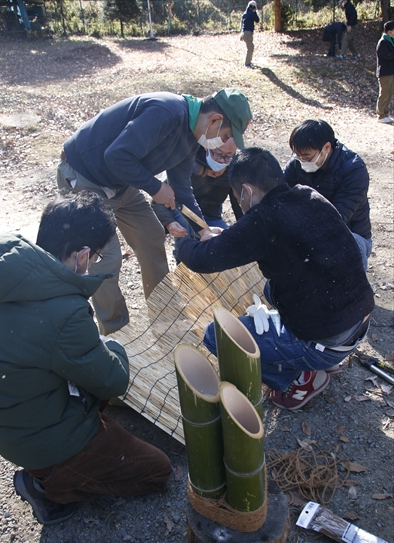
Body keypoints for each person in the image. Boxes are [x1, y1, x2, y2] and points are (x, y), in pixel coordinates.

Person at [0, 192, 172, 525]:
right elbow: (114, 380)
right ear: (82, 256)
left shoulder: (5, 255)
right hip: (41, 442)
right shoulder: (62, 313)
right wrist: (114, 346)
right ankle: (47, 485)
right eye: (98, 257)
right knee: (157, 471)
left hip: (8, 421)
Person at [177, 148, 374, 411]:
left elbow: (203, 259)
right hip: (360, 320)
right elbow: (248, 236)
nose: (240, 203)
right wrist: (224, 238)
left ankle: (301, 378)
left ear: (245, 192)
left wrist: (181, 243)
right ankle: (320, 356)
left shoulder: (264, 220)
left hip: (330, 340)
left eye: (238, 197)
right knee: (270, 290)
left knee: (215, 337)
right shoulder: (308, 194)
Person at [57, 89, 252, 335]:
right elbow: (116, 155)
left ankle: (164, 317)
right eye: (225, 135)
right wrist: (155, 187)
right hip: (85, 176)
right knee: (107, 258)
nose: (223, 143)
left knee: (151, 236)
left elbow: (181, 187)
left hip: (121, 182)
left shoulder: (194, 135)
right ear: (214, 120)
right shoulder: (166, 111)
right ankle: (118, 333)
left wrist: (202, 229)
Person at [284, 119, 372, 270]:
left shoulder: (353, 169)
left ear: (326, 147)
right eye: (298, 156)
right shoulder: (297, 163)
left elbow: (337, 219)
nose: (302, 161)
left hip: (349, 235)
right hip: (307, 232)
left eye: (307, 157)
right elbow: (279, 196)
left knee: (345, 249)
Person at [151, 138, 241, 261]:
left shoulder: (234, 167)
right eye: (217, 154)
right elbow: (157, 201)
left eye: (228, 156)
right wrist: (169, 222)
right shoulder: (185, 160)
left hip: (211, 215)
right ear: (206, 147)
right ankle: (183, 263)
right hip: (183, 213)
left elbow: (240, 205)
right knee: (185, 227)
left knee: (225, 243)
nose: (221, 160)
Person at [376, 20, 394, 124]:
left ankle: (386, 114)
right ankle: (380, 115)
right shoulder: (383, 42)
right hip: (385, 72)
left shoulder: (391, 41)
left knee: (390, 93)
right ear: (390, 31)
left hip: (391, 72)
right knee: (384, 93)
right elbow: (387, 55)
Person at [240, 1, 260, 67]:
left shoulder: (244, 13)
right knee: (250, 47)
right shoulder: (251, 13)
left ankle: (249, 61)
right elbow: (257, 20)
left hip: (243, 33)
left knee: (250, 46)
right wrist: (255, 12)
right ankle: (247, 63)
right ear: (252, 7)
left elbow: (242, 23)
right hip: (248, 33)